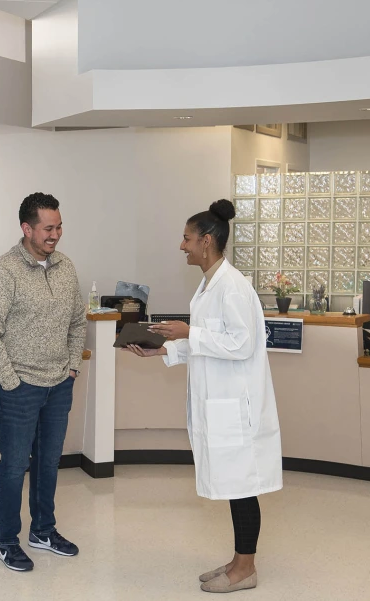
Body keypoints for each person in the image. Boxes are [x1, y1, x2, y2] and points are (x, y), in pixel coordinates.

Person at [127, 199, 282, 594]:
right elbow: (209, 343)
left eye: (186, 238)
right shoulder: (211, 283)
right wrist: (162, 348)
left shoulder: (232, 286)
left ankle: (245, 569)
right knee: (233, 484)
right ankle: (237, 560)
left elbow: (242, 344)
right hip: (220, 404)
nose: (182, 245)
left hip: (236, 407)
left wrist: (188, 332)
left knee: (242, 486)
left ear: (207, 241)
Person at [0, 192, 87, 573]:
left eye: (59, 226)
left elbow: (77, 322)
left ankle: (43, 530)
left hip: (58, 384)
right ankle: (7, 539)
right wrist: (10, 381)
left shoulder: (66, 267)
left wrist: (72, 367)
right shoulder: (4, 272)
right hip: (17, 387)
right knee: (15, 464)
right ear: (27, 228)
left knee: (49, 463)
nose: (55, 234)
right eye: (48, 228)